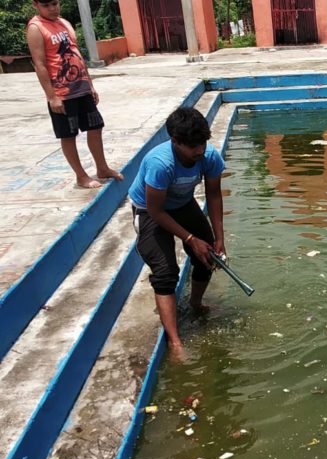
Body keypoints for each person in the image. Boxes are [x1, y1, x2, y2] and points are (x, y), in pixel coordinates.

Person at [129, 107, 225, 360]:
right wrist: (191, 239)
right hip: (150, 211)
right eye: (192, 146)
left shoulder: (210, 156)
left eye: (202, 143)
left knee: (208, 257)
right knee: (165, 272)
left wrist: (219, 239)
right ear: (175, 141)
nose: (200, 151)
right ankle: (175, 342)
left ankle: (195, 304)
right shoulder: (160, 163)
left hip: (182, 204)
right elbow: (156, 210)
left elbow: (214, 195)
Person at [27, 0, 123, 188]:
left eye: (55, 3)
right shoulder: (36, 28)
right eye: (47, 5)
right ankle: (81, 176)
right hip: (61, 92)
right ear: (36, 5)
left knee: (96, 126)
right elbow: (39, 64)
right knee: (68, 134)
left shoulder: (65, 23)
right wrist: (52, 96)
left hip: (81, 87)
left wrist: (90, 85)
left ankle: (102, 167)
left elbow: (77, 54)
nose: (53, 8)